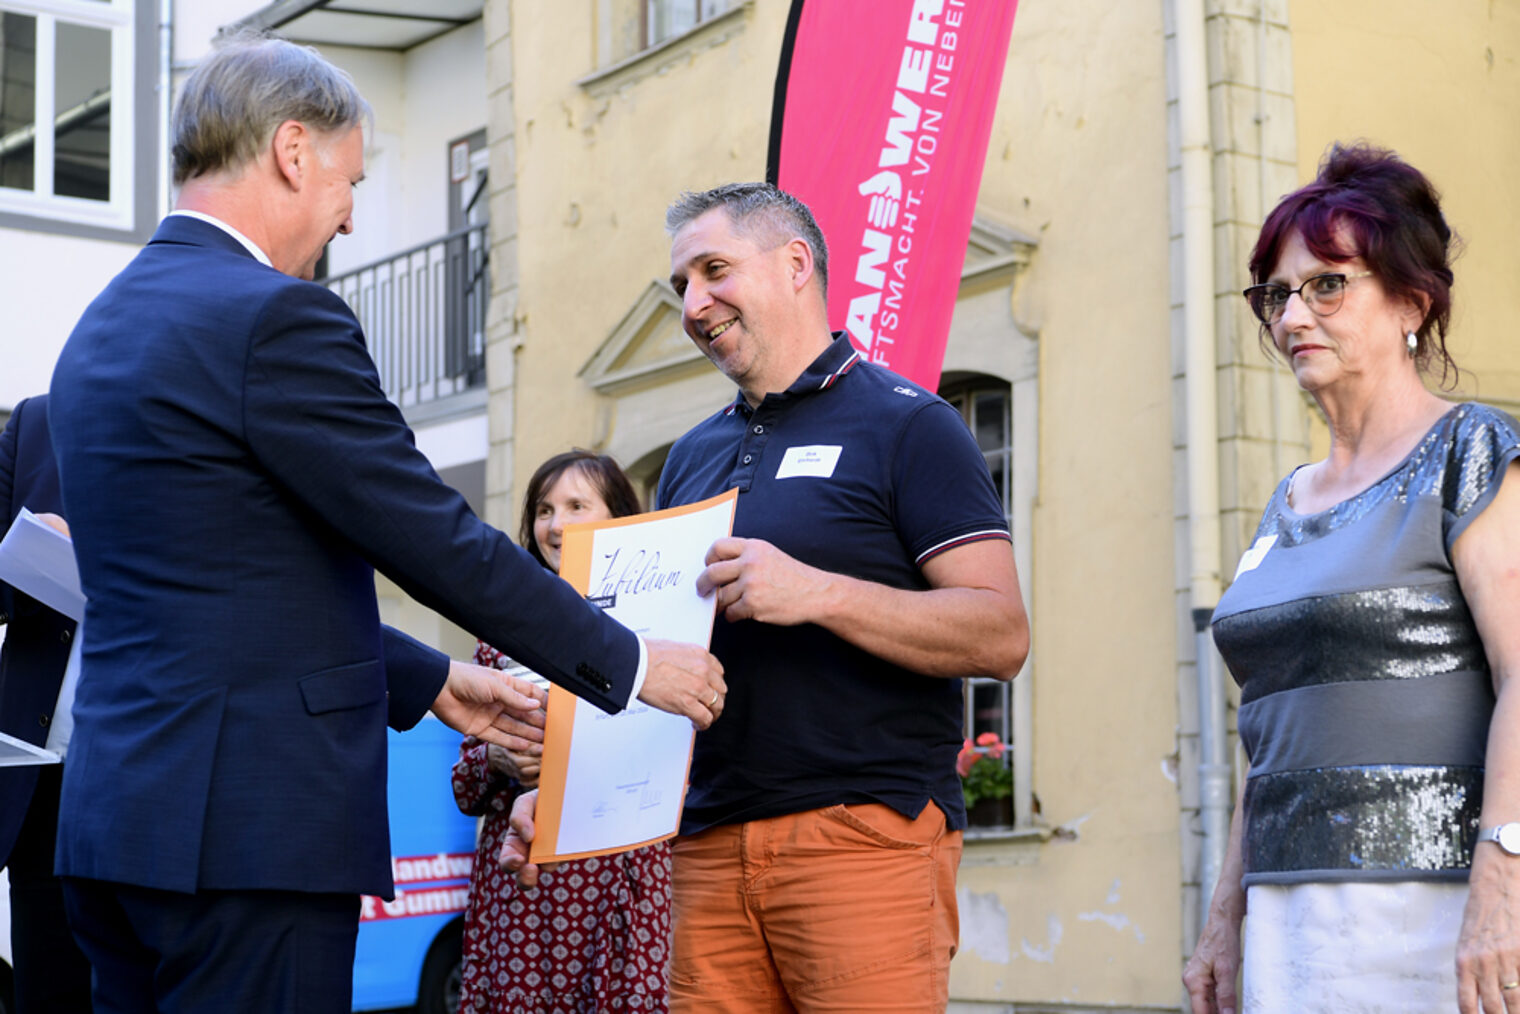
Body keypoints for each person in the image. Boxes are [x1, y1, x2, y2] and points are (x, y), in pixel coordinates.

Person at [45, 34, 723, 1014]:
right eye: (348, 181)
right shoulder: (273, 318)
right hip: (249, 840)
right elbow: (427, 534)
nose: (351, 217)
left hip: (118, 828)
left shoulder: (98, 329)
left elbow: (218, 583)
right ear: (291, 151)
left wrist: (435, 679)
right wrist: (627, 663)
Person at [506, 182, 1030, 1013]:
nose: (693, 303)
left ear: (796, 266)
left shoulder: (911, 425)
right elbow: (661, 664)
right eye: (682, 284)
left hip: (862, 839)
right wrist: (572, 793)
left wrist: (817, 592)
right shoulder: (689, 457)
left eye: (714, 270)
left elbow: (999, 633)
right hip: (707, 851)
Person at [1183, 143, 1520, 1014]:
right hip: (1289, 925)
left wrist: (1504, 878)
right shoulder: (1285, 503)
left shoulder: (1469, 452)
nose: (1294, 313)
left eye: (1328, 283)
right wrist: (1226, 915)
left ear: (1412, 300)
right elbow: (1267, 731)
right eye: (1277, 293)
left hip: (1430, 912)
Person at [456, 450, 673, 1013]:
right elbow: (462, 786)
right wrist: (496, 760)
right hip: (525, 891)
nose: (557, 525)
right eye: (545, 510)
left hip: (623, 878)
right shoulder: (499, 631)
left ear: (618, 516)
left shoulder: (661, 629)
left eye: (578, 505)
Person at [0, 395, 93, 1013]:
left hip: (166, 775)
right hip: (43, 791)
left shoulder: (221, 416)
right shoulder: (38, 422)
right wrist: (37, 555)